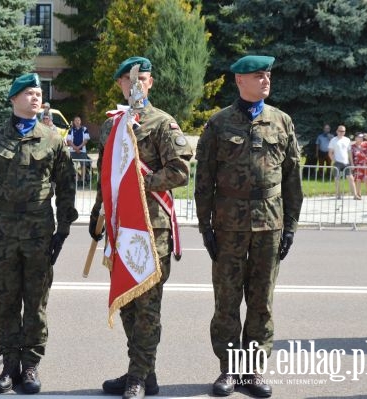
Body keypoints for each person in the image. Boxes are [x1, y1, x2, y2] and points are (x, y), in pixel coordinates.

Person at [194, 55, 303, 398]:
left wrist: (290, 227)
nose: (266, 79)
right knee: (227, 300)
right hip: (228, 225)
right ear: (240, 80)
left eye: (268, 74)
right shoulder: (219, 123)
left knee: (261, 302)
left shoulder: (281, 121)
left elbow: (293, 179)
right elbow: (204, 179)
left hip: (269, 224)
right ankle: (229, 370)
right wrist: (205, 226)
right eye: (258, 75)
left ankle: (251, 371)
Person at [0, 73, 78, 394]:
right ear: (13, 99)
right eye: (28, 93)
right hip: (2, 234)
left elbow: (66, 187)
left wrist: (63, 230)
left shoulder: (53, 139)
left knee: (36, 303)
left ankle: (30, 366)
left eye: (38, 93)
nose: (35, 98)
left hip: (39, 234)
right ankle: (8, 366)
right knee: (6, 301)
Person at [89, 56, 193, 399]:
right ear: (120, 84)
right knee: (128, 303)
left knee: (148, 307)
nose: (135, 85)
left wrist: (141, 185)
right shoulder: (112, 125)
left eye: (142, 79)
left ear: (149, 83)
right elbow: (108, 176)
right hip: (120, 229)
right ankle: (144, 373)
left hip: (151, 230)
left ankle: (138, 376)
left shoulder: (162, 123)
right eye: (128, 80)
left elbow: (179, 171)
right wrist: (98, 210)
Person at [328, 125, 360, 199]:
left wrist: (351, 163)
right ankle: (338, 194)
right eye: (340, 131)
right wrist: (334, 160)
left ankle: (355, 195)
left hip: (346, 162)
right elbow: (330, 152)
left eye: (343, 131)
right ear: (337, 131)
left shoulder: (347, 140)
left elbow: (349, 152)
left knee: (351, 178)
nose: (342, 132)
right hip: (337, 162)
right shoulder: (333, 140)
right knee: (337, 178)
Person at [66, 116, 91, 184]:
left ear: (80, 121)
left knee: (83, 165)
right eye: (76, 120)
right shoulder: (70, 130)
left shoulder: (84, 129)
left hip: (82, 151)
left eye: (79, 120)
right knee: (72, 166)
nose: (77, 121)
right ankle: (76, 179)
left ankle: (82, 180)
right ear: (74, 122)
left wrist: (79, 147)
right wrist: (75, 148)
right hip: (72, 151)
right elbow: (68, 140)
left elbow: (86, 140)